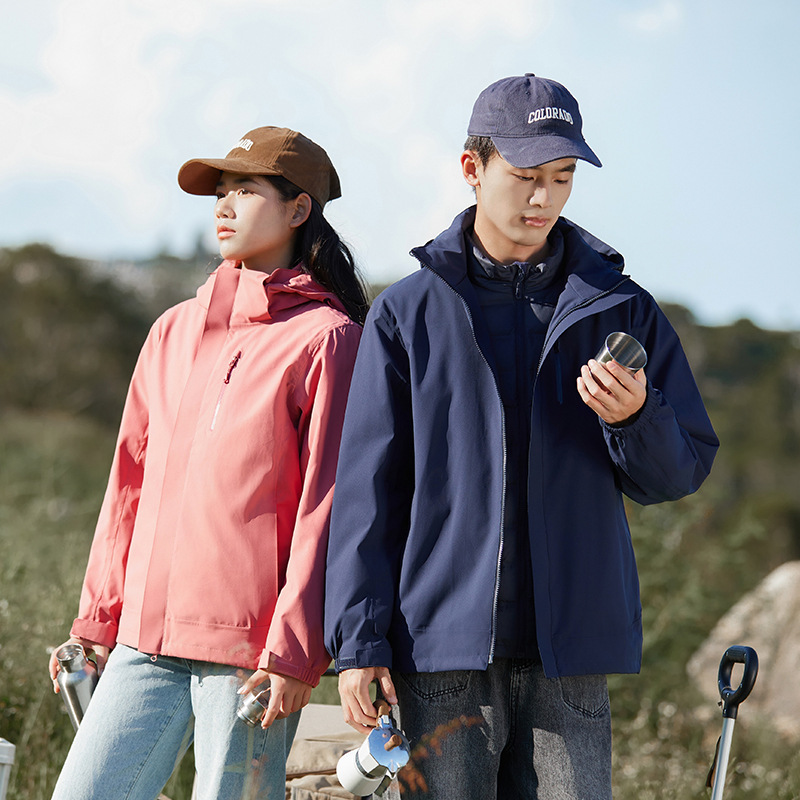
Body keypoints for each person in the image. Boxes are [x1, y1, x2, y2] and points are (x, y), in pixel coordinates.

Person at [324, 74, 719, 799]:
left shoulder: (620, 310)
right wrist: (358, 645)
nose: (544, 198)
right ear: (472, 168)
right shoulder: (408, 313)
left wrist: (635, 419)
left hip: (569, 657)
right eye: (527, 176)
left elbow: (679, 471)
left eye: (563, 178)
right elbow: (366, 495)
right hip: (439, 653)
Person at [48, 126, 367, 800]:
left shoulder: (328, 340)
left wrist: (297, 649)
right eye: (220, 193)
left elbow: (328, 507)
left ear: (298, 209)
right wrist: (99, 619)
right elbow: (127, 485)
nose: (222, 207)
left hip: (250, 660)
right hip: (143, 640)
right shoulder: (172, 330)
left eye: (245, 190)